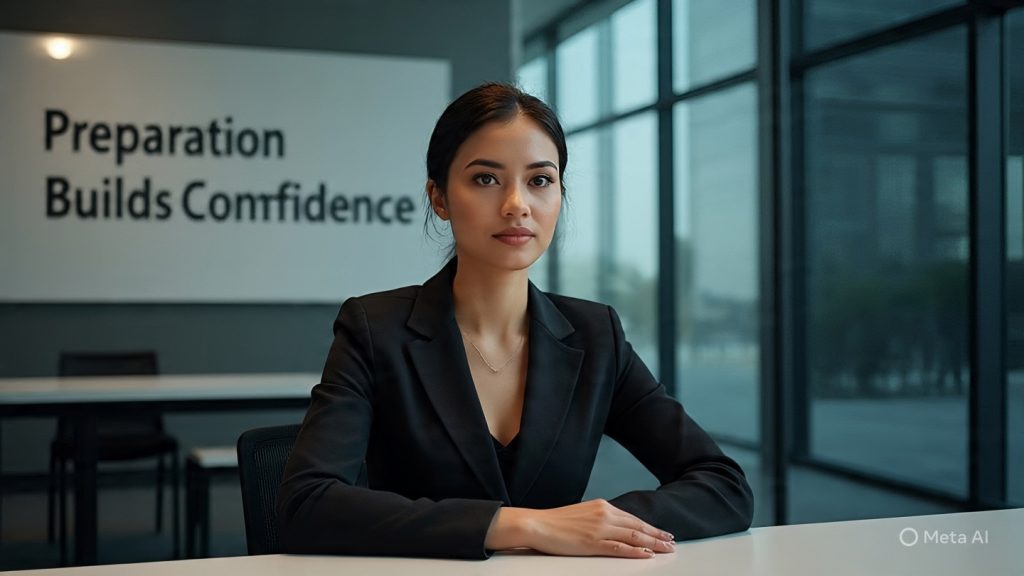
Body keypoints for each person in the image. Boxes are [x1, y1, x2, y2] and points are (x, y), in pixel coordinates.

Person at [276, 82, 754, 560]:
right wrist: (527, 525)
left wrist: (601, 525)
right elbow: (307, 504)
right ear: (439, 197)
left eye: (540, 180)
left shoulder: (596, 335)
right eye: (486, 179)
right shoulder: (375, 329)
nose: (516, 204)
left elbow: (723, 485)